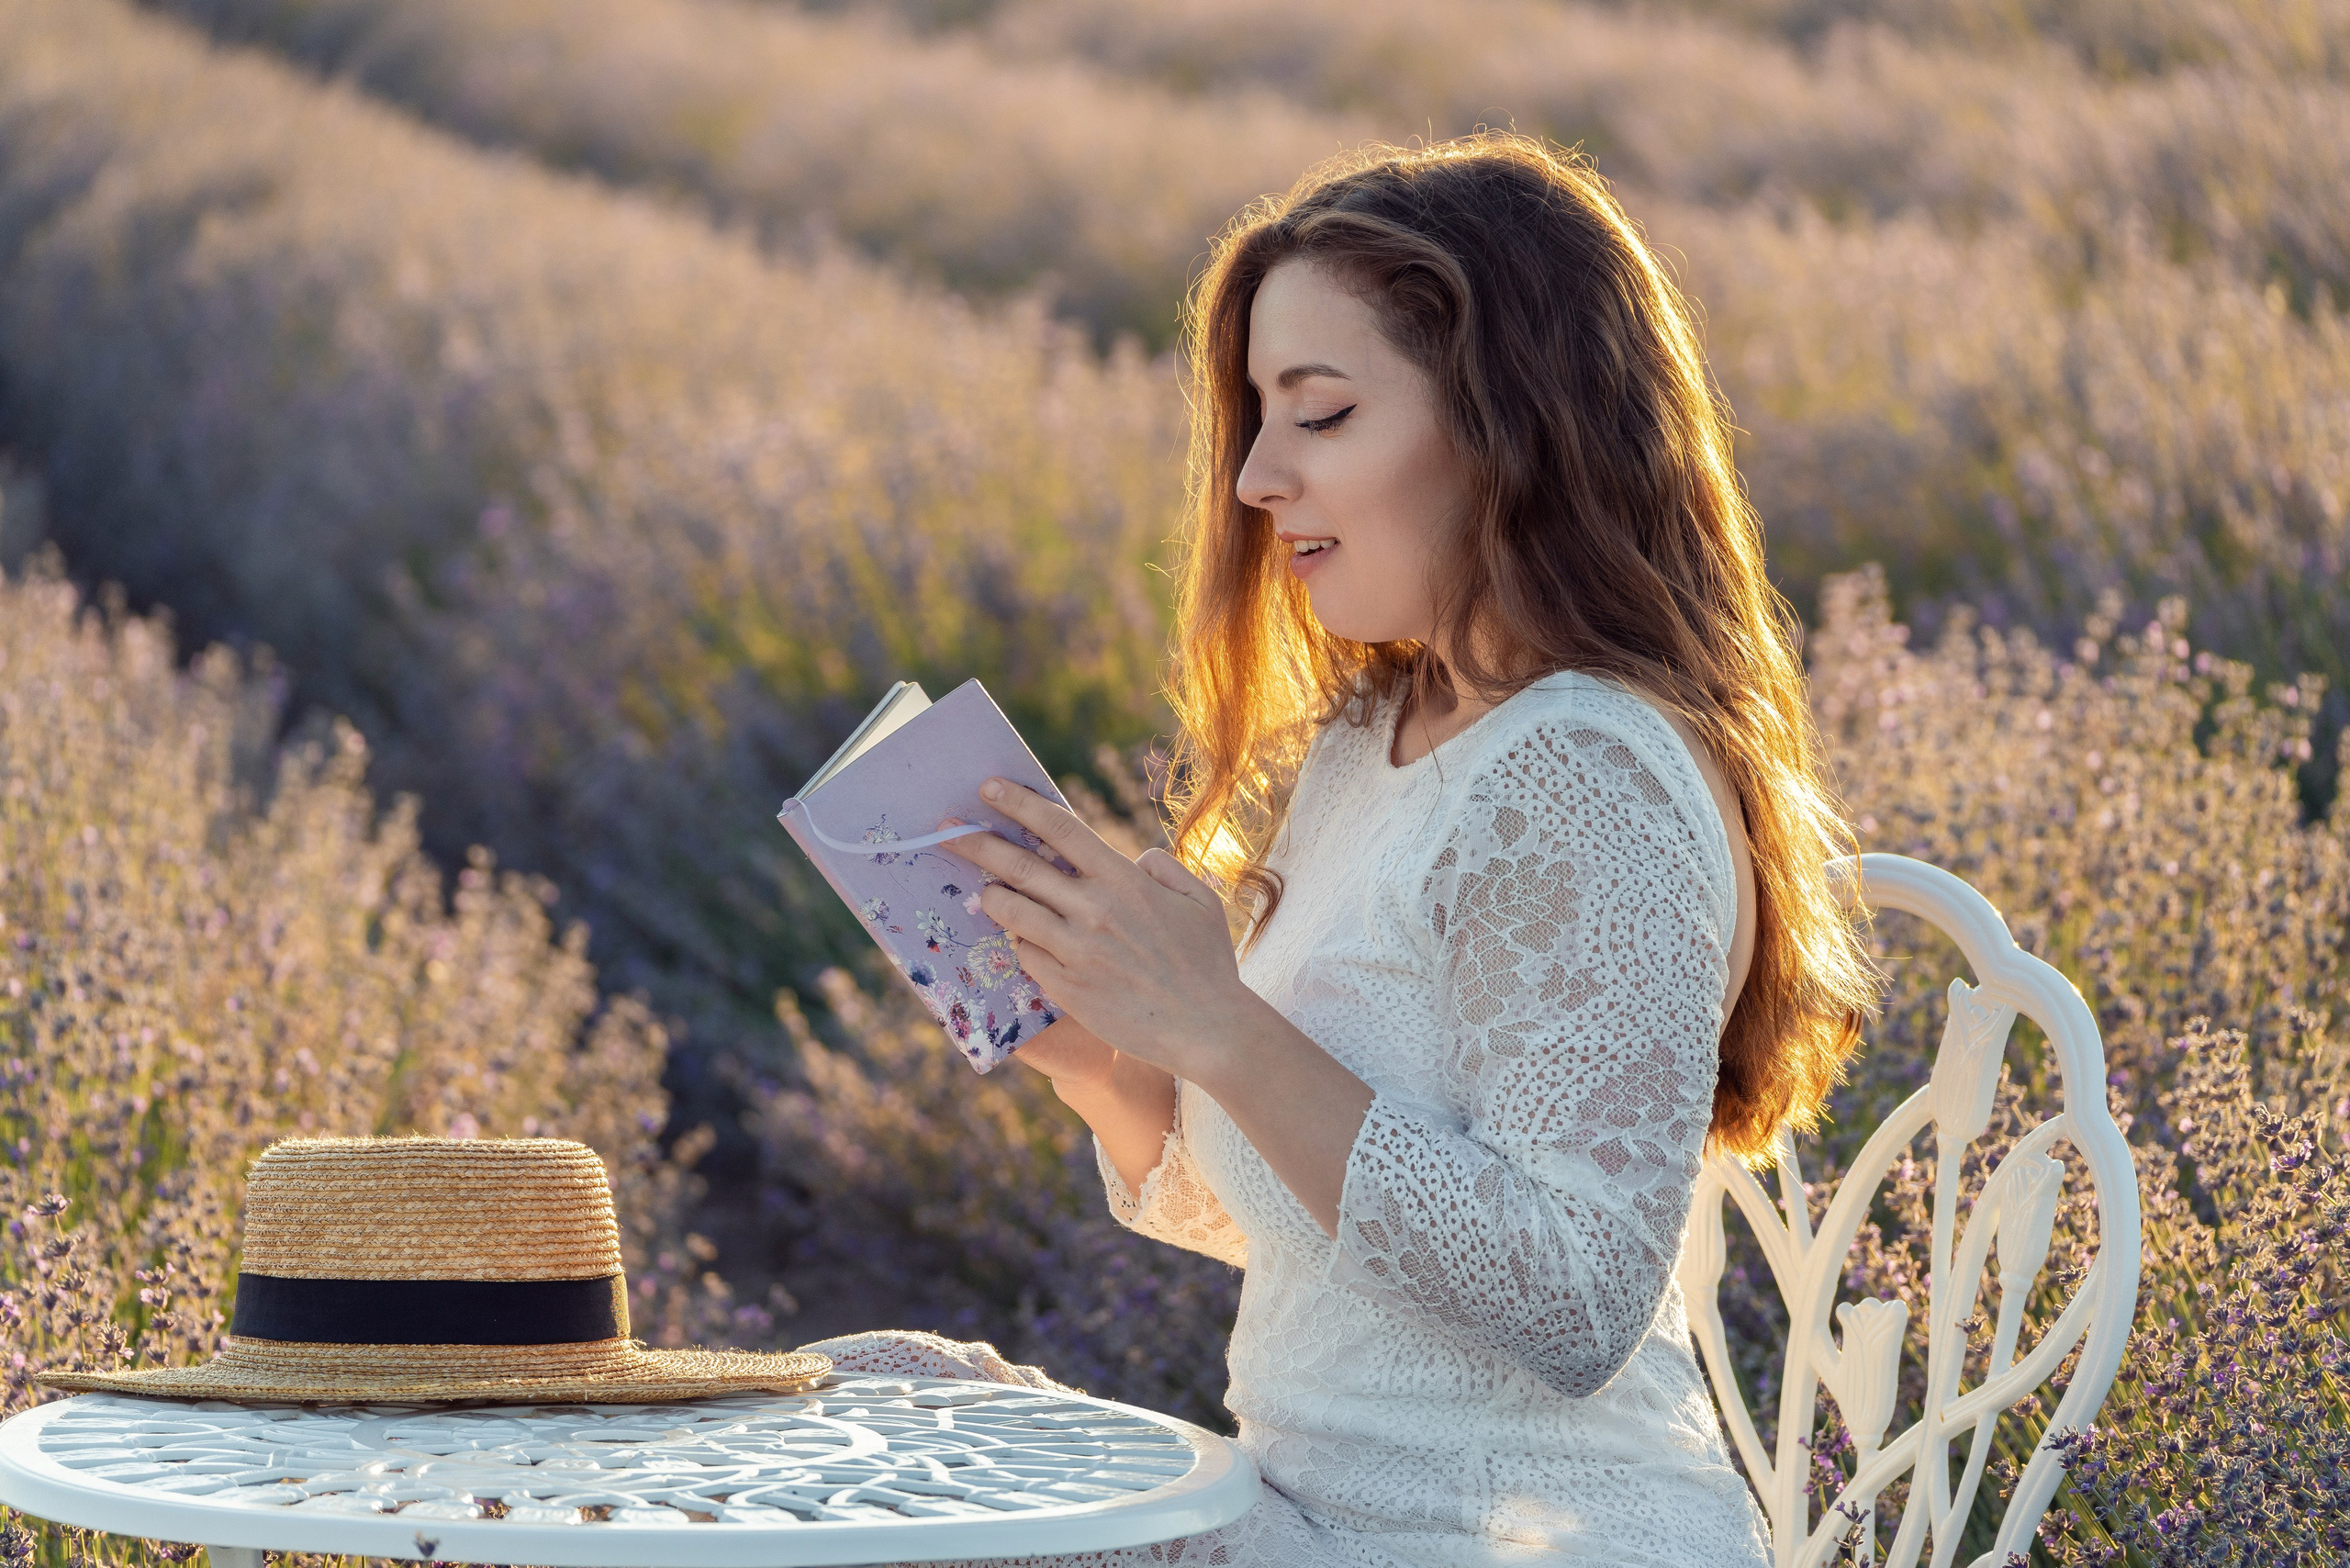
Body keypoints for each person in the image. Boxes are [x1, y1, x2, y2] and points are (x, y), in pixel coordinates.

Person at [803, 130, 1884, 1567]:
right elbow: (1325, 1241)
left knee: (865, 1511)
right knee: (860, 1400)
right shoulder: (1376, 736)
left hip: (1511, 1546)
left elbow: (1573, 1302)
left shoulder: (1585, 770)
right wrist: (1102, 1055)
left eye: (1321, 414)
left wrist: (1221, 1027)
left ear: (1512, 427)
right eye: (1258, 420)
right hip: (1303, 1513)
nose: (1256, 478)